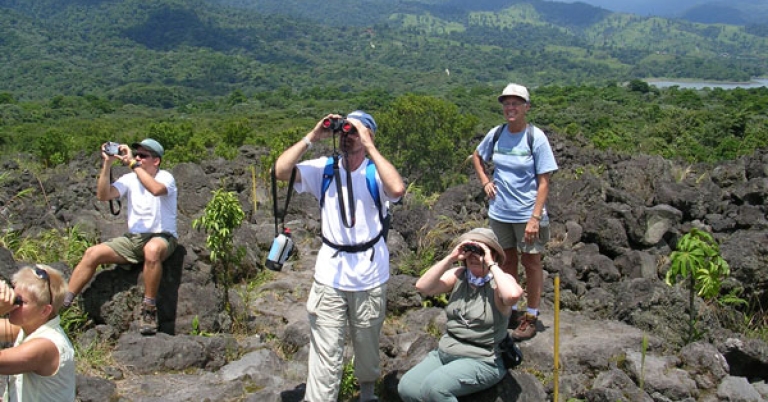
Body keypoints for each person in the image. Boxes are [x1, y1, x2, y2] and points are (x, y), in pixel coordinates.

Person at [274, 111, 405, 402]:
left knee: (367, 344)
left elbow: (396, 189)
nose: (348, 135)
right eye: (345, 130)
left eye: (356, 131)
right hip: (330, 274)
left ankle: (367, 393)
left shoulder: (374, 172)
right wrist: (313, 135)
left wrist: (370, 145)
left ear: (369, 136)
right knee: (325, 351)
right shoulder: (325, 169)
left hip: (369, 274)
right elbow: (280, 171)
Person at [64, 138, 178, 336]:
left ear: (156, 161)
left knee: (151, 250)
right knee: (92, 253)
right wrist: (107, 164)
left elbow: (155, 189)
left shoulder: (166, 177)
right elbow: (104, 195)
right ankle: (63, 302)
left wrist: (132, 163)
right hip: (134, 239)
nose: (139, 158)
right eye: (137, 154)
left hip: (162, 236)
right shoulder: (130, 179)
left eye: (144, 156)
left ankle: (149, 309)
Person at [471, 83, 558, 340]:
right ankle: (512, 310)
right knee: (507, 261)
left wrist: (535, 217)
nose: (510, 108)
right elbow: (476, 156)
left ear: (526, 108)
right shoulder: (497, 134)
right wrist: (485, 181)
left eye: (516, 103)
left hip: (526, 214)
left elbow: (544, 180)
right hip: (500, 212)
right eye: (507, 103)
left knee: (531, 262)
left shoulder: (536, 137)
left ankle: (531, 315)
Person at [397, 228, 523, 402]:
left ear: (493, 254)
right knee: (407, 388)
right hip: (446, 352)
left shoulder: (500, 282)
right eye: (469, 252)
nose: (474, 256)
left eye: (480, 251)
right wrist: (451, 258)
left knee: (435, 388)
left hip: (483, 359)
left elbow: (512, 296)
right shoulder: (459, 276)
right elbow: (422, 286)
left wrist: (490, 263)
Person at [0, 264, 76, 402]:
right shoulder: (29, 327)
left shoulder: (45, 346)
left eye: (19, 301)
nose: (12, 305)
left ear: (44, 311)